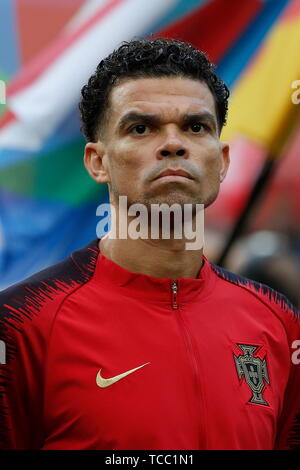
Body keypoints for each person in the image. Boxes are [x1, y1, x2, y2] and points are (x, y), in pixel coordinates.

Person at [0, 38, 299, 450]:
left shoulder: (280, 323)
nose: (174, 144)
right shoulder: (21, 324)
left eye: (196, 127)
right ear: (97, 162)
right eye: (141, 128)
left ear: (222, 159)